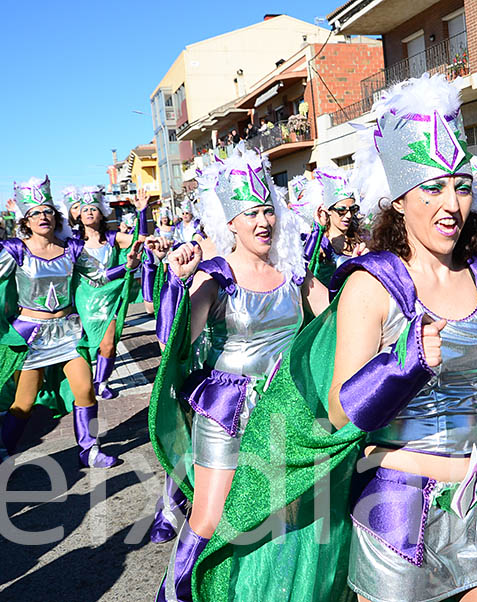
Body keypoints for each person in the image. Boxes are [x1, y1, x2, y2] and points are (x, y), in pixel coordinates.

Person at [189, 73, 477, 602]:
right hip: (397, 508)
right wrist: (404, 363)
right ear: (399, 199)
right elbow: (340, 409)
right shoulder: (373, 283)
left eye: (461, 185)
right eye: (432, 188)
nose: (450, 203)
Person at [149, 148, 329, 601]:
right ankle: (173, 595)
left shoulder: (293, 273)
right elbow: (176, 341)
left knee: (278, 513)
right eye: (251, 213)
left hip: (284, 405)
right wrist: (176, 282)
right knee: (211, 516)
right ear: (231, 222)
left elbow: (338, 321)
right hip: (228, 409)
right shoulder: (215, 276)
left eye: (268, 209)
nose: (263, 221)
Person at [0, 176, 143, 473]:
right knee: (23, 405)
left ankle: (88, 450)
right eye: (36, 212)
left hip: (68, 332)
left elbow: (98, 277)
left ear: (57, 217)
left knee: (86, 391)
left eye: (48, 211)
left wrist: (127, 267)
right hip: (33, 335)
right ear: (26, 220)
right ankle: (1, 458)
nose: (43, 216)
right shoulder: (16, 249)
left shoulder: (72, 248)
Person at [70, 186, 147, 399]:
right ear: (78, 215)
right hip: (83, 300)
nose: (89, 212)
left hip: (109, 298)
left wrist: (142, 211)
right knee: (83, 344)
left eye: (93, 209)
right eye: (84, 209)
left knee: (108, 344)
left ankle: (101, 383)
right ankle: (85, 381)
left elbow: (138, 239)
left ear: (101, 213)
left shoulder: (112, 238)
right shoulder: (74, 243)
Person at [298, 167, 367, 286]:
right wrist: (317, 230)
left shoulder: (360, 239)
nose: (348, 215)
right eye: (341, 210)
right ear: (328, 211)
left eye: (352, 209)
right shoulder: (320, 244)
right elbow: (302, 273)